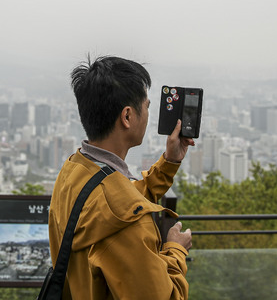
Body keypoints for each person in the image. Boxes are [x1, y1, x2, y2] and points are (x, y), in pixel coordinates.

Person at [48, 55, 194, 299]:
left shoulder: (73, 171)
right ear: (127, 116)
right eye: (146, 106)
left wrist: (169, 163)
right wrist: (175, 250)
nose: (148, 114)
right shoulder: (126, 221)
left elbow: (115, 202)